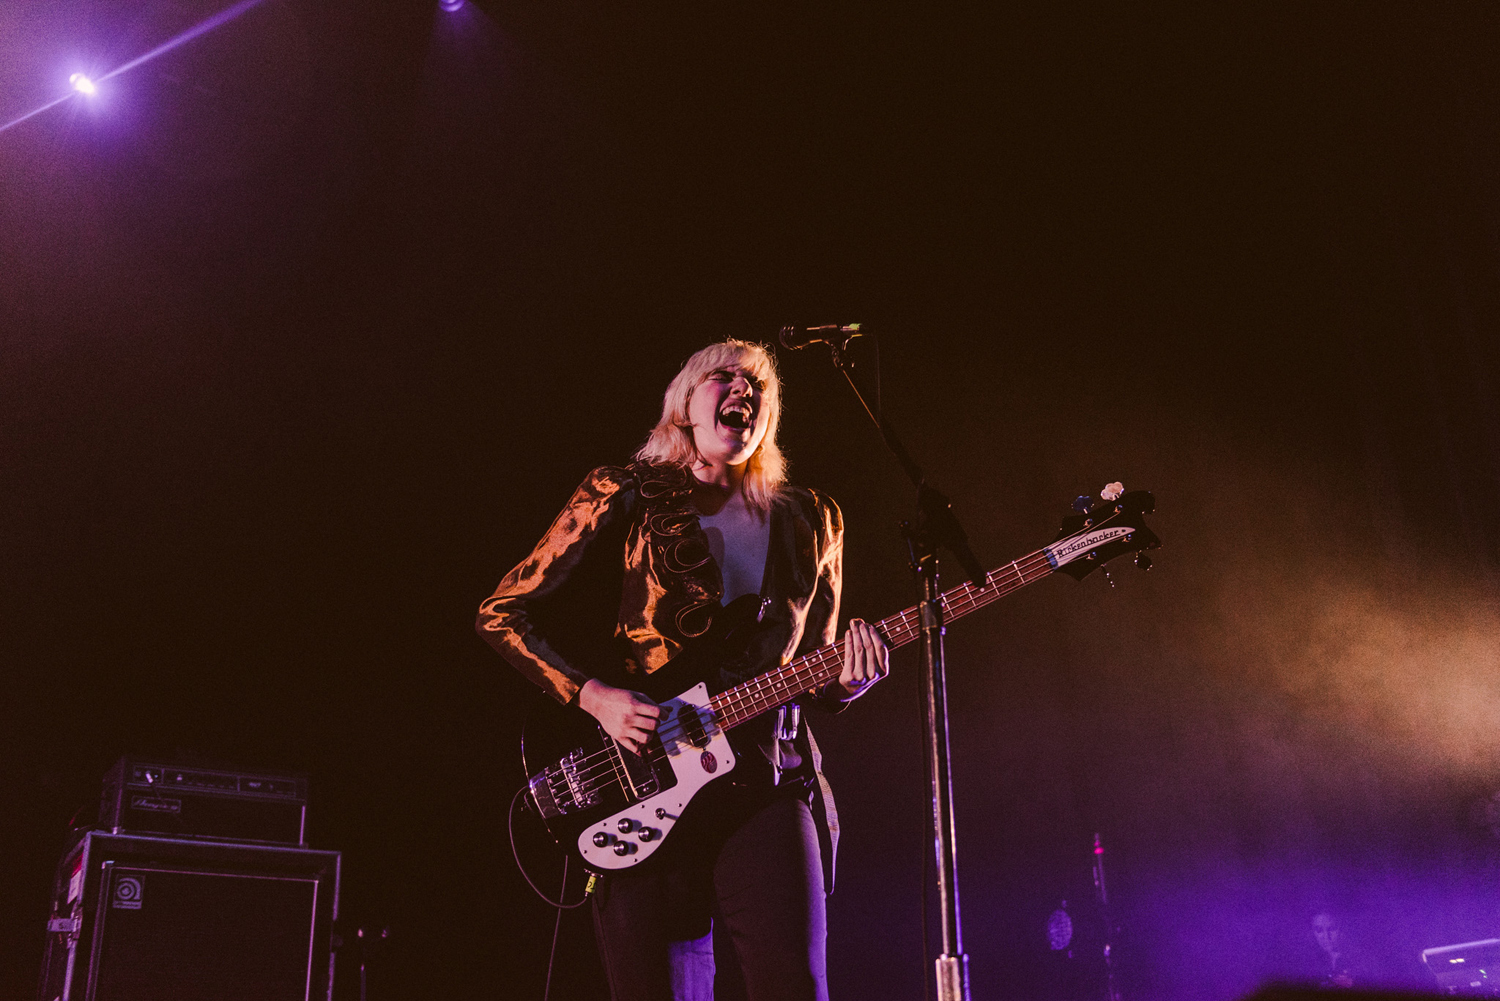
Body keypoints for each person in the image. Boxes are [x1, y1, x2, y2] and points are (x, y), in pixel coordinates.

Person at [477, 339, 890, 1001]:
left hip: (765, 781)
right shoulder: (625, 494)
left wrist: (850, 676)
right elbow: (502, 611)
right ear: (685, 405)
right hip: (641, 776)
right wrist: (594, 696)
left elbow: (817, 668)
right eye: (723, 376)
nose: (743, 389)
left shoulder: (811, 519)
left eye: (758, 382)